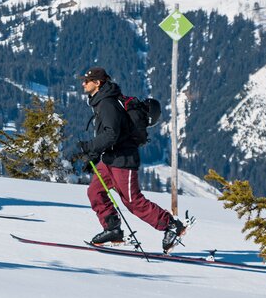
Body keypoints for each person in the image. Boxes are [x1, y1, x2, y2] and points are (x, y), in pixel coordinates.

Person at [75, 66, 186, 252]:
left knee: (133, 201)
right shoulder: (102, 101)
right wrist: (94, 156)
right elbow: (108, 134)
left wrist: (89, 147)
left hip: (123, 160)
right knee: (95, 192)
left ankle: (171, 225)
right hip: (111, 158)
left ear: (98, 83)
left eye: (87, 81)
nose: (83, 83)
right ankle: (113, 229)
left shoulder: (107, 103)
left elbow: (111, 134)